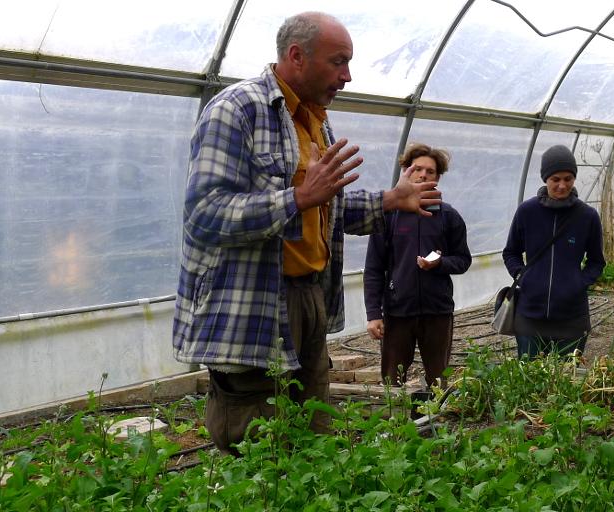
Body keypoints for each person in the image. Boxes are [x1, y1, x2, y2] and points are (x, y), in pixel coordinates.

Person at [172, 12, 440, 456]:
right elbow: (204, 213)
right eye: (338, 62)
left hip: (307, 297)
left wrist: (392, 199)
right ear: (297, 56)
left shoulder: (315, 122)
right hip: (253, 304)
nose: (347, 76)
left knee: (313, 433)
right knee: (254, 438)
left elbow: (324, 211)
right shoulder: (236, 110)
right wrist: (295, 197)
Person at [364, 144, 471, 388]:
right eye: (417, 169)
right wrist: (373, 314)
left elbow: (463, 260)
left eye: (430, 171)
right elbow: (373, 267)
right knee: (392, 380)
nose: (423, 175)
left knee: (438, 379)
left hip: (437, 311)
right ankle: (397, 422)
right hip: (398, 310)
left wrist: (440, 263)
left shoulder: (448, 216)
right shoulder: (390, 215)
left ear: (438, 177)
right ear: (406, 172)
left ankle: (437, 422)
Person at [502, 145, 605, 358]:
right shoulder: (527, 212)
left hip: (571, 317)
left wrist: (578, 283)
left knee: (567, 381)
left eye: (568, 178)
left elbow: (597, 261)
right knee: (530, 379)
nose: (562, 185)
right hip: (530, 315)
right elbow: (510, 252)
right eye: (555, 179)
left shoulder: (587, 217)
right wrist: (524, 277)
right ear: (545, 179)